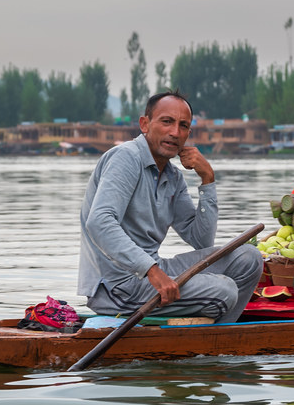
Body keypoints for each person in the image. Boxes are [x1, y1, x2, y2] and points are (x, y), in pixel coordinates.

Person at [79, 91, 263, 324]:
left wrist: (207, 178)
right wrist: (152, 271)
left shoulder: (173, 176)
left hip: (152, 273)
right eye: (167, 122)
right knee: (224, 290)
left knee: (249, 256)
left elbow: (201, 241)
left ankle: (220, 337)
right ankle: (212, 343)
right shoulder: (126, 158)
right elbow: (99, 222)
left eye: (183, 126)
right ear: (145, 124)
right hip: (118, 287)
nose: (175, 132)